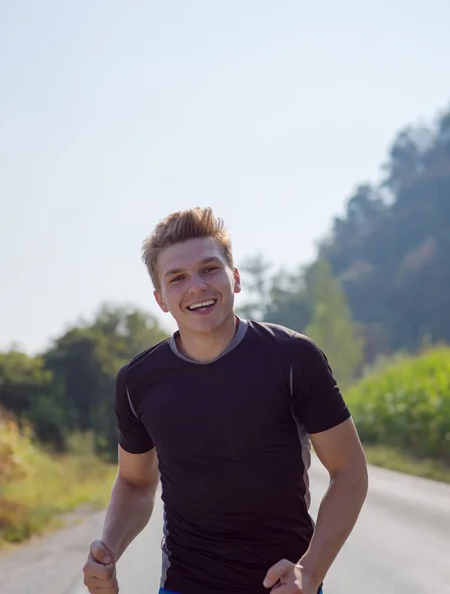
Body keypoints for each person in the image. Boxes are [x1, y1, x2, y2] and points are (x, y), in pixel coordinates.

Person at [82, 207, 368, 594]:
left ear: (234, 278)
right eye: (177, 278)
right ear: (161, 298)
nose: (197, 286)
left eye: (209, 269)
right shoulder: (138, 381)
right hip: (185, 585)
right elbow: (134, 482)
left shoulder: (293, 358)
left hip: (284, 586)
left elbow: (349, 470)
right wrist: (108, 552)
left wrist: (311, 570)